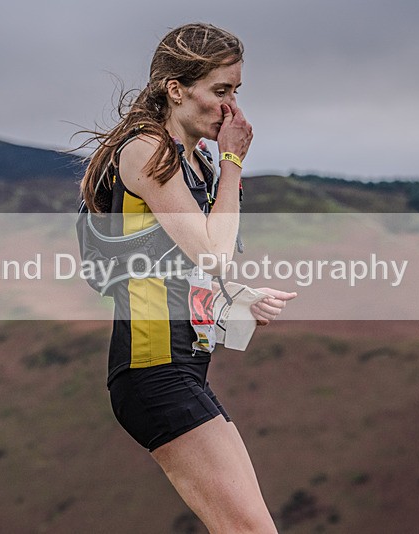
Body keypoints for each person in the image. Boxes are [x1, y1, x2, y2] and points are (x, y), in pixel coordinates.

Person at [78, 22, 296, 533]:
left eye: (236, 92)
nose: (230, 109)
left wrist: (236, 300)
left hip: (179, 371)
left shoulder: (193, 162)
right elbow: (213, 256)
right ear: (175, 89)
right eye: (220, 91)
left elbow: (182, 267)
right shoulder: (145, 151)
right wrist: (235, 162)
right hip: (152, 372)